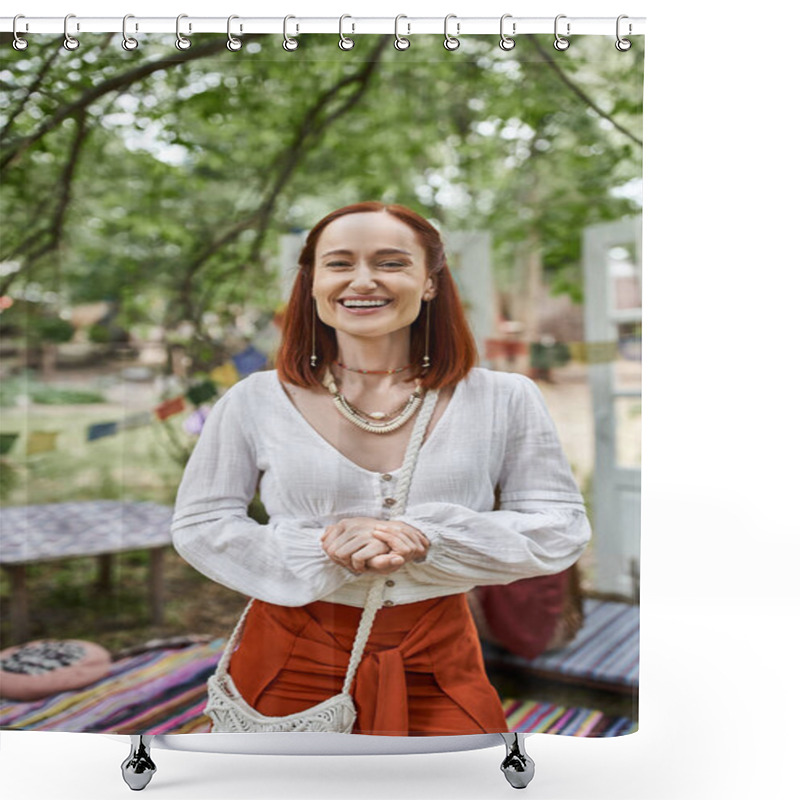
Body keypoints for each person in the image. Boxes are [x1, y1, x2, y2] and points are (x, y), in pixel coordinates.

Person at [171, 202, 591, 736]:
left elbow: (560, 525)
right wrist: (317, 549)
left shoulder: (503, 398)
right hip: (287, 655)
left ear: (431, 282)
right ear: (313, 281)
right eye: (340, 263)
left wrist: (430, 538)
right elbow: (201, 524)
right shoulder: (254, 399)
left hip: (437, 654)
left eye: (391, 262)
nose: (363, 280)